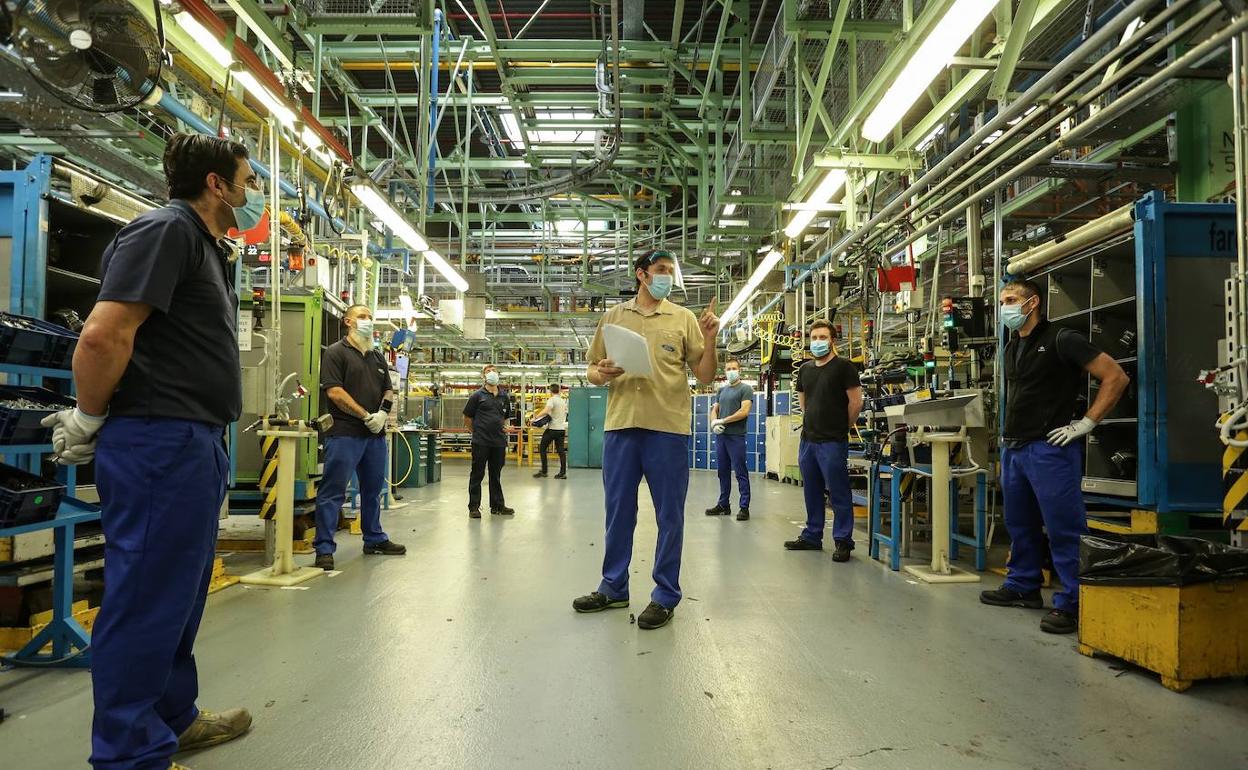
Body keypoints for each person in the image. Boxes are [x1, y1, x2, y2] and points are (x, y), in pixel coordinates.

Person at [40, 133, 254, 770]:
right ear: (215, 183)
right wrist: (87, 415)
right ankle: (129, 752)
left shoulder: (207, 247)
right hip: (160, 439)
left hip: (195, 441)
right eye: (245, 178)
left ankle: (172, 718)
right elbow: (105, 335)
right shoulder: (166, 230)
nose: (251, 191)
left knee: (181, 594)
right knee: (146, 598)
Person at [573, 249, 719, 630]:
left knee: (670, 515)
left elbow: (704, 376)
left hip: (667, 428)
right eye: (661, 270)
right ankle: (613, 587)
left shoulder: (683, 318)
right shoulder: (614, 317)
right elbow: (591, 368)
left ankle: (665, 594)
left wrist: (710, 339)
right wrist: (600, 373)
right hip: (621, 425)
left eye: (671, 270)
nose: (667, 276)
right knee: (618, 512)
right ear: (641, 274)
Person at [981, 279, 1128, 634]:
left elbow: (1116, 376)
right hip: (1015, 447)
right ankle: (1023, 585)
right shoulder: (1013, 346)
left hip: (1050, 448)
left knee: (1063, 528)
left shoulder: (1063, 339)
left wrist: (1087, 422)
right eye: (1001, 301)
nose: (1005, 307)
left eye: (1011, 300)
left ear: (1033, 303)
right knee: (1020, 524)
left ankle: (1074, 601)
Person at [313, 304, 407, 571]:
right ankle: (324, 548)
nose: (367, 321)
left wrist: (382, 414)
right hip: (345, 434)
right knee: (333, 491)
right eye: (362, 317)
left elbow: (388, 391)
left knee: (373, 490)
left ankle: (374, 538)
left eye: (370, 317)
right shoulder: (335, 353)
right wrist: (366, 415)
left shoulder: (377, 357)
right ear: (348, 322)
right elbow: (334, 392)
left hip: (374, 437)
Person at [784, 319, 864, 562]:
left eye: (823, 337)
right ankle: (812, 535)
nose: (818, 342)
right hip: (808, 440)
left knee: (838, 491)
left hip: (833, 440)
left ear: (832, 340)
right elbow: (803, 401)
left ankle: (843, 541)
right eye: (814, 337)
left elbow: (856, 402)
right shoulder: (805, 370)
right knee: (812, 490)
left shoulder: (844, 367)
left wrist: (843, 427)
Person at [464, 364, 516, 518]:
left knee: (496, 475)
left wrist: (505, 427)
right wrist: (476, 432)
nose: (492, 373)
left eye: (494, 371)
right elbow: (467, 417)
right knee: (477, 474)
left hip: (498, 442)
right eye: (488, 371)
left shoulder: (504, 396)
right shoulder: (477, 396)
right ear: (483, 376)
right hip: (481, 442)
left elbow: (505, 417)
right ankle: (474, 507)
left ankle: (497, 506)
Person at [704, 359, 753, 520]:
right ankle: (723, 504)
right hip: (721, 437)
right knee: (722, 472)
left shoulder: (745, 389)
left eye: (734, 368)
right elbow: (714, 409)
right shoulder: (721, 390)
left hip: (736, 436)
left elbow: (744, 411)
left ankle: (744, 507)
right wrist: (713, 422)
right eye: (728, 369)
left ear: (739, 370)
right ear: (724, 371)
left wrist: (723, 421)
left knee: (740, 472)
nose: (731, 371)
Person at [532, 383, 568, 479]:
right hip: (561, 429)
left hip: (552, 429)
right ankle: (563, 472)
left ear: (550, 391)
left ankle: (544, 471)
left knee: (542, 448)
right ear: (559, 391)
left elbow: (546, 410)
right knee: (561, 451)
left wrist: (535, 417)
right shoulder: (563, 401)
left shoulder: (551, 400)